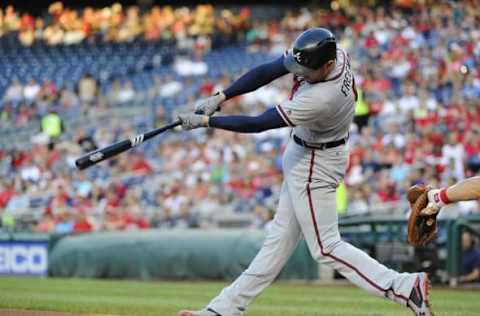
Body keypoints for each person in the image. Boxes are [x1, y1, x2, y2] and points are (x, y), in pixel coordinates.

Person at [177, 28, 432, 316]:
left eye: (307, 70)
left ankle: (404, 287)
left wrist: (209, 122)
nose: (300, 73)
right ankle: (222, 310)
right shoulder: (330, 53)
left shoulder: (323, 97)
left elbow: (259, 123)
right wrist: (223, 95)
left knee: (325, 247)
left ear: (326, 66)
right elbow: (271, 69)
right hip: (309, 150)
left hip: (316, 160)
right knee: (277, 244)